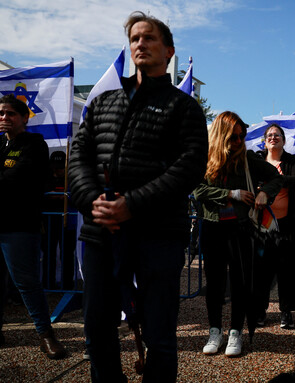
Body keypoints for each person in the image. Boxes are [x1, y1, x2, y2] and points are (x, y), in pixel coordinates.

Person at [68, 12, 207, 382]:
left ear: (168, 50)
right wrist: (94, 203)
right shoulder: (101, 103)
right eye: (134, 39)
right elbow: (78, 160)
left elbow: (188, 168)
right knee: (97, 330)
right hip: (101, 233)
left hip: (158, 233)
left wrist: (132, 204)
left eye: (149, 38)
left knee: (159, 334)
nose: (140, 44)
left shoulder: (185, 108)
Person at [193, 111, 281, 357]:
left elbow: (275, 178)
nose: (239, 142)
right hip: (212, 227)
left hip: (242, 228)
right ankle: (214, 330)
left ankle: (235, 332)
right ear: (221, 135)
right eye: (233, 137)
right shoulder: (205, 159)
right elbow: (198, 190)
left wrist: (265, 194)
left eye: (242, 137)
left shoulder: (249, 160)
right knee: (215, 283)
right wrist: (231, 194)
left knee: (241, 283)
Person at [0, 94, 67, 359]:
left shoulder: (35, 144)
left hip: (19, 226)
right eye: (1, 113)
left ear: (24, 118)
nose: (4, 118)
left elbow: (19, 179)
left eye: (10, 114)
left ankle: (46, 335)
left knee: (26, 283)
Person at [256, 124, 295, 329]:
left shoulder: (293, 161)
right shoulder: (257, 160)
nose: (273, 137)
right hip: (261, 226)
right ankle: (259, 310)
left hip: (288, 225)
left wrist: (273, 181)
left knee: (287, 271)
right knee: (261, 271)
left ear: (284, 140)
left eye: (277, 135)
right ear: (265, 140)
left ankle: (286, 312)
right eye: (269, 135)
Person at [41, 151, 78, 290]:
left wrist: (67, 198)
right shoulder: (46, 177)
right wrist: (49, 196)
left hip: (67, 221)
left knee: (67, 254)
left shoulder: (72, 179)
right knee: (48, 252)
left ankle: (67, 284)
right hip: (49, 222)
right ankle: (48, 283)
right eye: (54, 168)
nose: (57, 171)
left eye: (60, 168)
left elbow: (80, 196)